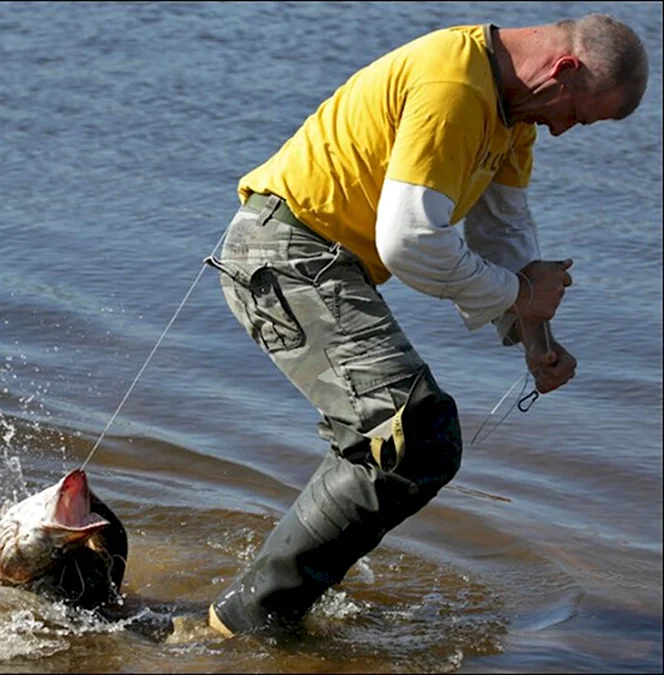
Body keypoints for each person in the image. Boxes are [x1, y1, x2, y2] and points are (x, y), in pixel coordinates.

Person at [204, 14, 649, 637]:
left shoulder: (512, 109)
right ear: (564, 69)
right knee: (413, 434)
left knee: (408, 438)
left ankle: (268, 610)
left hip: (322, 264)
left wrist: (535, 342)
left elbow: (504, 232)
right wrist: (522, 291)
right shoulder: (456, 86)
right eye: (577, 113)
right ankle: (247, 620)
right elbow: (410, 241)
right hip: (284, 255)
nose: (564, 128)